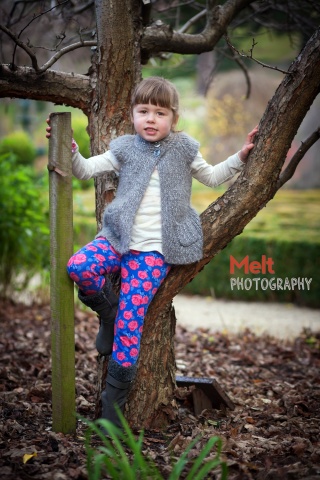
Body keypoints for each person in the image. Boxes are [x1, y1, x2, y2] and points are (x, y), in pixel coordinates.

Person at [46, 76, 258, 428]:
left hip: (152, 255)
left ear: (173, 118)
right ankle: (108, 313)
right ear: (132, 114)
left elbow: (213, 176)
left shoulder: (185, 148)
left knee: (132, 327)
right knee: (78, 267)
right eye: (143, 111)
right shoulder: (125, 148)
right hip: (117, 240)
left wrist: (241, 156)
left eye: (159, 113)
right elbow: (85, 170)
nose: (150, 118)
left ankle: (111, 416)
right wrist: (70, 153)